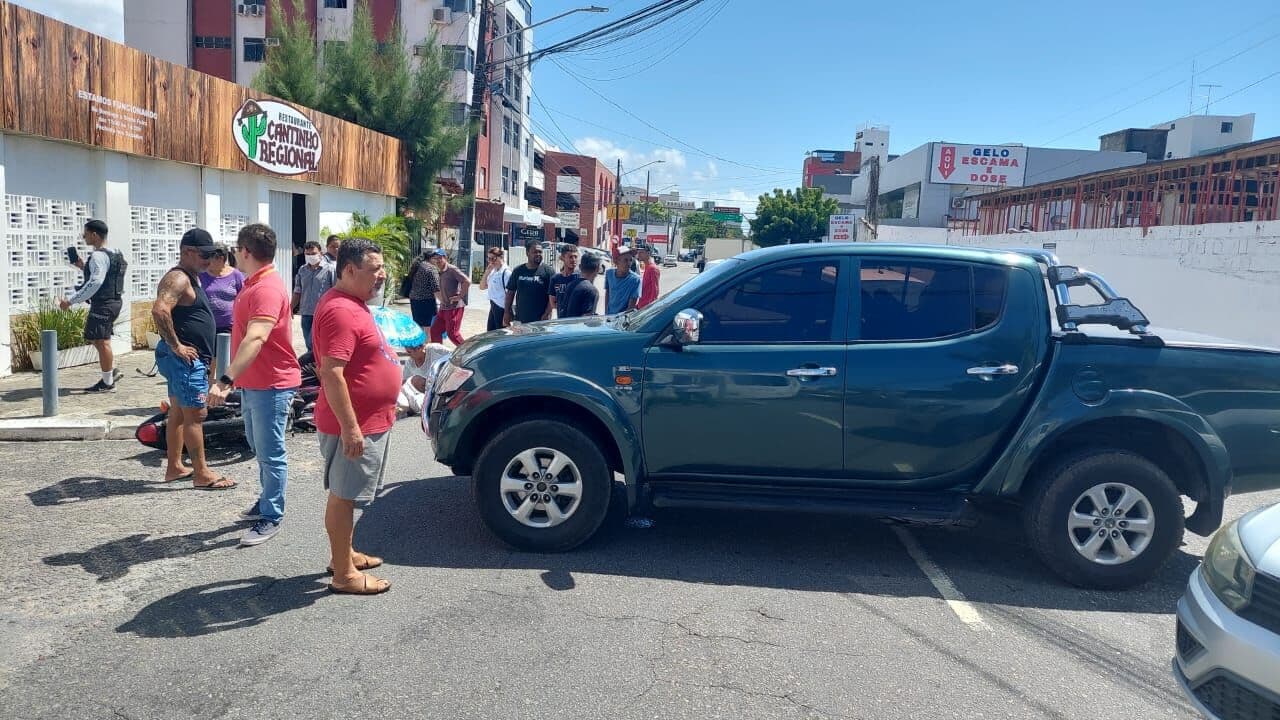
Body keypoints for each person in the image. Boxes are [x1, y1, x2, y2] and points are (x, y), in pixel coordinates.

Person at [312, 238, 402, 595]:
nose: (381, 276)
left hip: (368, 419)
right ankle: (344, 575)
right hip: (355, 423)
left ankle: (344, 555)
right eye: (374, 269)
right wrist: (351, 429)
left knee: (346, 494)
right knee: (344, 496)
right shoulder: (340, 310)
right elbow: (332, 372)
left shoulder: (354, 303)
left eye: (382, 268)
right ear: (349, 270)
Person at [208, 223, 301, 548]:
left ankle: (272, 516)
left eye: (236, 249)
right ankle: (266, 502)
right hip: (255, 383)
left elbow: (257, 336)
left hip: (271, 385)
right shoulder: (255, 283)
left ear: (245, 252)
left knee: (270, 452)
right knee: (258, 446)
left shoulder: (266, 289)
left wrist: (225, 380)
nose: (235, 254)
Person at [151, 229, 235, 490]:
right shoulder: (178, 278)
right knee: (196, 414)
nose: (209, 261)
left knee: (178, 411)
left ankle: (174, 467)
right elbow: (159, 309)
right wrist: (176, 345)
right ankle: (202, 473)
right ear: (187, 252)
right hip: (186, 360)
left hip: (186, 360)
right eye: (204, 255)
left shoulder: (191, 278)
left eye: (212, 256)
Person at [60, 220, 127, 393]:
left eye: (85, 234)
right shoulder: (115, 253)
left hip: (103, 304)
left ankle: (107, 383)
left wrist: (71, 300)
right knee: (97, 338)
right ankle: (111, 371)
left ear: (94, 235)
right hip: (113, 301)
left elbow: (96, 282)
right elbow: (106, 275)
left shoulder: (98, 256)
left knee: (101, 341)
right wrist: (83, 266)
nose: (84, 238)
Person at [292, 240, 335, 353]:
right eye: (308, 254)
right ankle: (313, 366)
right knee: (309, 344)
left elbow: (336, 291)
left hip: (322, 314)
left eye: (313, 253)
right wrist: (290, 308)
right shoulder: (302, 270)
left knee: (317, 344)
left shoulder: (330, 270)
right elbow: (298, 290)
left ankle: (316, 365)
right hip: (306, 313)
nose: (311, 256)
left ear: (320, 253)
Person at [199, 243, 245, 337]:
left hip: (230, 326)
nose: (207, 262)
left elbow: (244, 299)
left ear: (221, 259)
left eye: (210, 259)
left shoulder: (236, 275)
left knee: (226, 351)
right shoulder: (201, 275)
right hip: (207, 325)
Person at [503, 239, 552, 326]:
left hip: (541, 320)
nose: (538, 254)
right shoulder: (518, 271)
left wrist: (547, 313)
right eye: (535, 252)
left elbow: (552, 296)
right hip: (520, 320)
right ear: (527, 253)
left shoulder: (548, 272)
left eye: (540, 252)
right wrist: (507, 312)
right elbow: (510, 292)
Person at [428, 248, 469, 346]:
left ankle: (466, 354)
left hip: (454, 308)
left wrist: (459, 296)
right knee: (435, 331)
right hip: (444, 308)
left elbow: (467, 281)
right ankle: (438, 354)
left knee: (453, 334)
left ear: (445, 258)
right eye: (435, 258)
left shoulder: (452, 269)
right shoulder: (439, 271)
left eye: (440, 258)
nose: (437, 260)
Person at [396, 341, 450, 416]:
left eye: (409, 352)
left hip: (443, 385)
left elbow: (455, 357)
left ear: (419, 348)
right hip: (425, 394)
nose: (409, 355)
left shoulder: (435, 350)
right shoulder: (410, 363)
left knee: (417, 380)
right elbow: (403, 382)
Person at [406, 250, 440, 336]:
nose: (437, 261)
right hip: (427, 300)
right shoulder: (431, 268)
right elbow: (436, 287)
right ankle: (426, 345)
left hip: (414, 299)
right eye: (436, 258)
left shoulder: (417, 266)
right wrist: (443, 301)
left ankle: (418, 346)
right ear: (431, 258)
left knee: (418, 325)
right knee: (428, 327)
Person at [560, 252, 602, 319]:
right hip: (577, 328)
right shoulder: (591, 291)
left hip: (564, 327)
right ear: (597, 269)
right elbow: (586, 319)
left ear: (580, 267)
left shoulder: (571, 284)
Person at [604, 244, 642, 315]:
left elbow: (631, 308)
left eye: (630, 260)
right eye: (625, 260)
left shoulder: (636, 280)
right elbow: (608, 293)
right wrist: (606, 314)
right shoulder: (609, 274)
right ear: (616, 261)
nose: (629, 263)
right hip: (609, 317)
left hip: (622, 320)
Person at [480, 247, 511, 332]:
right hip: (493, 305)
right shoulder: (493, 271)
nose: (490, 261)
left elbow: (510, 294)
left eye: (493, 258)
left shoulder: (506, 273)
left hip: (502, 307)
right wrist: (486, 273)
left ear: (501, 257)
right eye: (489, 259)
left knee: (500, 334)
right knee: (490, 333)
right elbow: (482, 287)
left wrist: (507, 313)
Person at [547, 245, 581, 319]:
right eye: (570, 257)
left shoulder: (580, 278)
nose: (574, 259)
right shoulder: (555, 278)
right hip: (561, 320)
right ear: (562, 258)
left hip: (577, 320)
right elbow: (552, 301)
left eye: (575, 257)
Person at [636, 244, 662, 309]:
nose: (639, 255)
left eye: (641, 252)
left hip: (646, 308)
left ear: (648, 253)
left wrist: (650, 308)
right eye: (638, 252)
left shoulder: (653, 268)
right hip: (641, 306)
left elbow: (655, 291)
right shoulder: (647, 267)